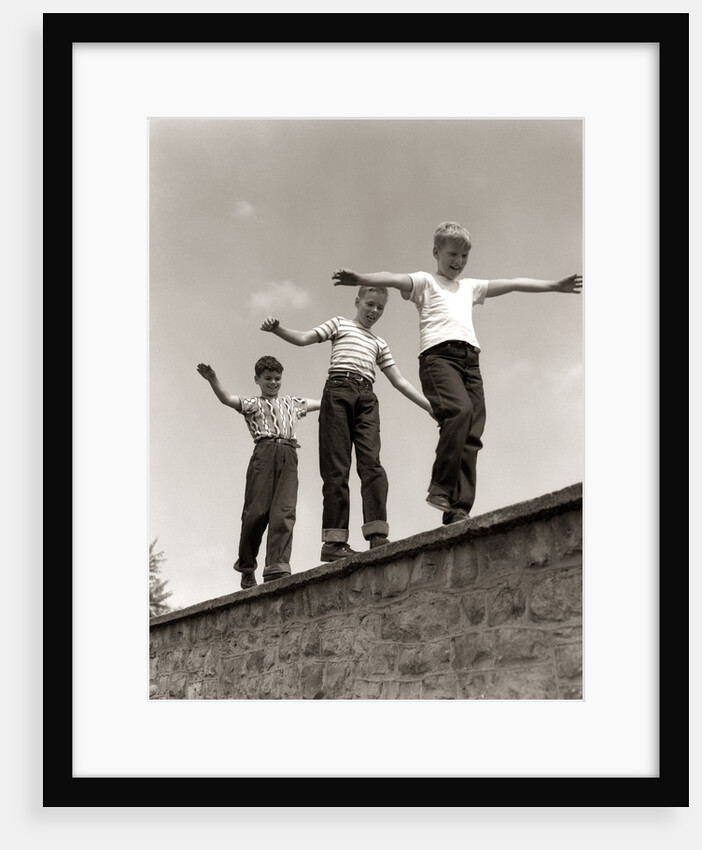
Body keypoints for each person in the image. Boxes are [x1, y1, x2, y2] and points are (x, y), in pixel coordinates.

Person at [332, 220, 582, 525]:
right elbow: (393, 278)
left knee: (474, 430)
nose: (458, 262)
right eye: (452, 255)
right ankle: (440, 486)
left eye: (464, 257)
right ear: (436, 252)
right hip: (439, 359)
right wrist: (359, 277)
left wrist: (555, 286)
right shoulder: (425, 282)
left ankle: (458, 508)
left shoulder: (470, 287)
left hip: (470, 361)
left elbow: (514, 282)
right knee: (459, 413)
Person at [260, 285, 433, 562]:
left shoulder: (380, 344)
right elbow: (305, 338)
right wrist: (278, 329)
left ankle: (377, 534)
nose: (374, 311)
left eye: (380, 308)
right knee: (336, 467)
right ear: (358, 302)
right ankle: (334, 542)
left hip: (367, 399)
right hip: (338, 392)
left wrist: (428, 406)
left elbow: (398, 380)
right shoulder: (339, 325)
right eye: (370, 305)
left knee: (372, 464)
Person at [196, 356, 320, 589]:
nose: (273, 382)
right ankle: (246, 567)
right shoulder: (253, 403)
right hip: (264, 454)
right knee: (256, 513)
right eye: (268, 379)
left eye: (277, 378)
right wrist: (213, 379)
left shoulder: (293, 403)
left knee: (284, 512)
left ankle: (276, 567)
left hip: (289, 454)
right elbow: (227, 399)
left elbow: (323, 402)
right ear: (258, 380)